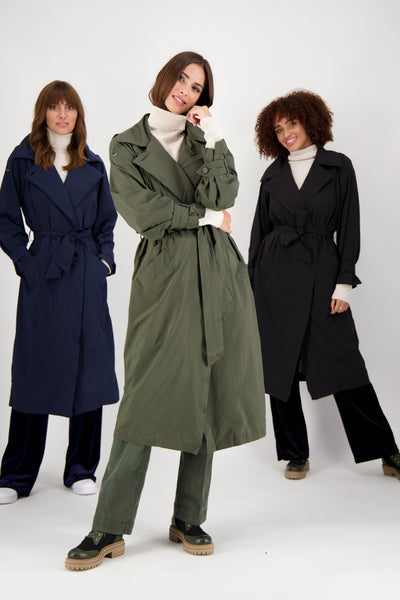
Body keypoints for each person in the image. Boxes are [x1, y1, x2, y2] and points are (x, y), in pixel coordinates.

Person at [65, 51, 265, 570]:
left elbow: (227, 192)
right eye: (181, 78)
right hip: (165, 275)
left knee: (207, 391)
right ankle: (108, 526)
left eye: (197, 86)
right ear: (165, 79)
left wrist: (214, 137)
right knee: (144, 396)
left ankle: (188, 518)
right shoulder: (126, 144)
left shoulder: (203, 139)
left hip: (218, 272)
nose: (186, 90)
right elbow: (144, 214)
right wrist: (203, 216)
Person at [248, 89, 400, 481]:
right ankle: (295, 453)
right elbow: (258, 233)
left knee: (344, 362)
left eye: (292, 123)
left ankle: (386, 450)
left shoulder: (338, 167)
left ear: (310, 121)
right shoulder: (272, 175)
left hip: (323, 275)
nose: (286, 133)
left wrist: (344, 283)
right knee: (280, 367)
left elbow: (349, 226)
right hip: (274, 279)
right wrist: (250, 287)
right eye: (278, 129)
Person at [0, 81, 118, 504]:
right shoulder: (22, 160)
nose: (63, 114)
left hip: (85, 272)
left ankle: (82, 467)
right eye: (55, 107)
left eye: (70, 107)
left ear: (78, 114)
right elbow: (6, 220)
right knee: (34, 367)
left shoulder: (93, 164)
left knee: (89, 369)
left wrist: (104, 261)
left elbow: (106, 221)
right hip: (44, 271)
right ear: (43, 113)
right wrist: (27, 263)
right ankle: (16, 474)